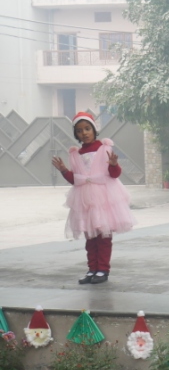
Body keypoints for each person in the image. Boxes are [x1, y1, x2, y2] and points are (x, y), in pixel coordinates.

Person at [51, 111, 136, 285]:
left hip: (104, 198)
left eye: (87, 129)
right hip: (85, 200)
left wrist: (114, 165)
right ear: (76, 134)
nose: (84, 133)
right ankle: (92, 269)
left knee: (103, 237)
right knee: (90, 238)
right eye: (79, 130)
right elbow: (76, 180)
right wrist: (64, 170)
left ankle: (102, 269)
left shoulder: (104, 149)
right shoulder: (75, 154)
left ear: (94, 129)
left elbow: (114, 174)